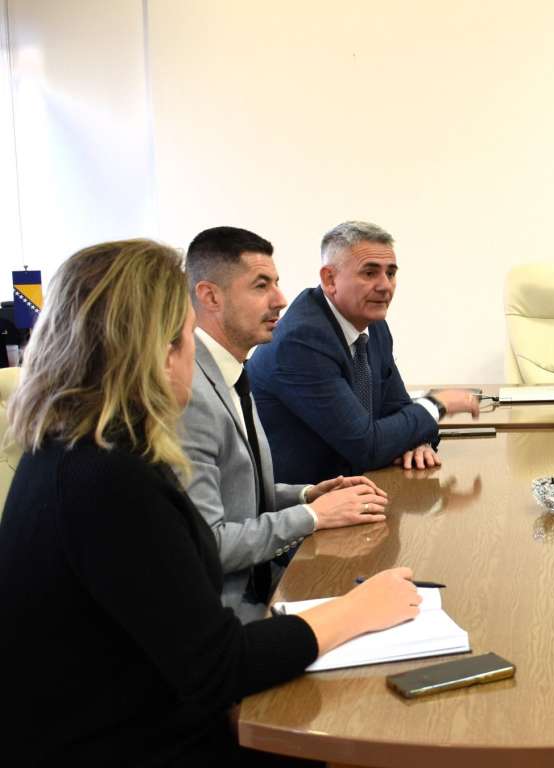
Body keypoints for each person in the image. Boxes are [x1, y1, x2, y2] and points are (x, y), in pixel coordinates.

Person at [0, 239, 421, 765]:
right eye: (186, 337)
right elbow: (220, 667)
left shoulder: (75, 450)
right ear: (159, 353)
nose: (193, 355)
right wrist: (354, 610)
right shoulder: (109, 481)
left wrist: (307, 500)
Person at [182, 226, 391, 623]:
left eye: (276, 283)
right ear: (210, 297)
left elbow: (236, 495)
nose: (280, 299)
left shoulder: (230, 373)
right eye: (261, 286)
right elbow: (209, 543)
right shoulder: (189, 393)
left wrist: (307, 495)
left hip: (264, 588)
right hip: (228, 616)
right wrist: (313, 516)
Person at [248, 220, 479, 482]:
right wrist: (438, 404)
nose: (385, 286)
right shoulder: (301, 340)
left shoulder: (373, 325)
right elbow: (366, 447)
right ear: (329, 279)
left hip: (357, 486)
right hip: (305, 497)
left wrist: (418, 442)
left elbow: (398, 407)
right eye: (370, 273)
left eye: (390, 273)